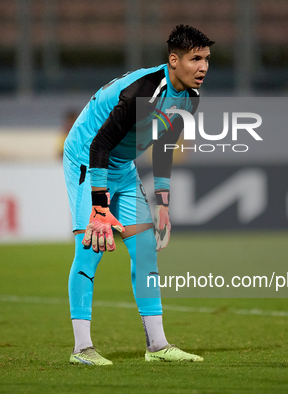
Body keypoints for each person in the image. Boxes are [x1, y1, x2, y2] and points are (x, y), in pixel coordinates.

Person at [63, 24, 214, 365]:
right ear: (173, 60)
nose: (203, 67)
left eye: (206, 59)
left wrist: (162, 202)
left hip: (122, 165)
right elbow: (99, 145)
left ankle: (157, 346)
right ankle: (81, 349)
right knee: (90, 248)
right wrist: (99, 208)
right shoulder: (143, 92)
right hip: (87, 158)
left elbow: (163, 144)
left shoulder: (189, 99)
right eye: (195, 59)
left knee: (145, 250)